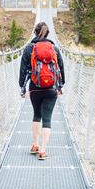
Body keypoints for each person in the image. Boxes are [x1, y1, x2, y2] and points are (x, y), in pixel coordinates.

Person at [18, 22, 65, 160]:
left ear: (35, 33)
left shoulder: (29, 49)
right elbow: (61, 68)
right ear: (48, 33)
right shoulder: (54, 49)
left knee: (37, 114)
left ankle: (35, 144)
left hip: (35, 88)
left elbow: (23, 70)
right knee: (47, 119)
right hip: (51, 88)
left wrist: (22, 87)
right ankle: (43, 151)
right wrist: (60, 86)